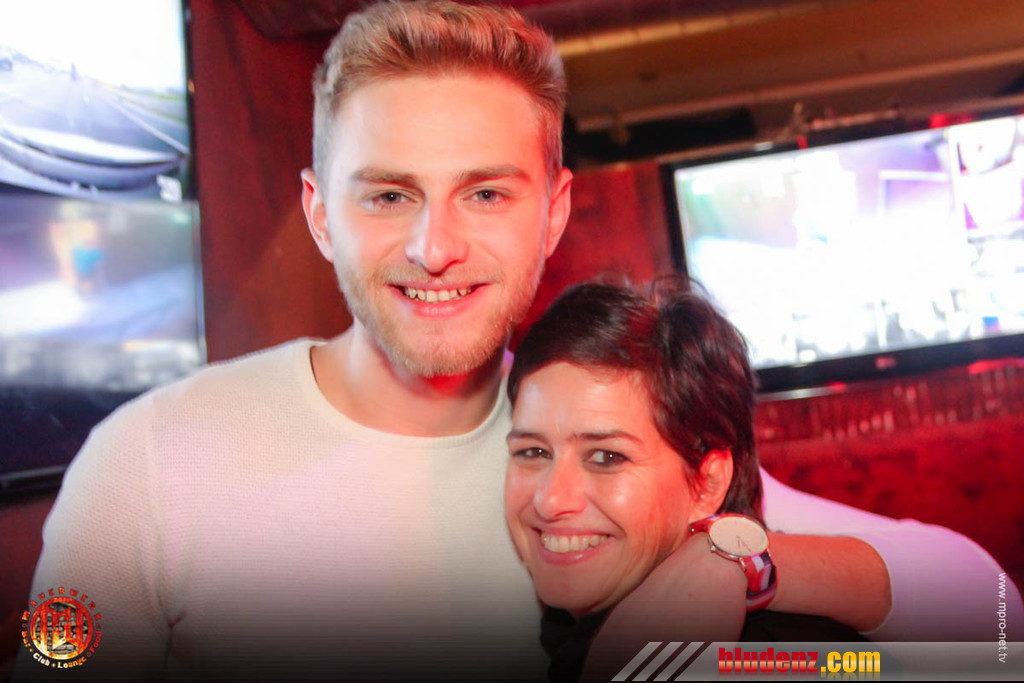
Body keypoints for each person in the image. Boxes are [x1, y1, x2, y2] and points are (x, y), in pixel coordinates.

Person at [18, 1, 1021, 681]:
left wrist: (742, 567)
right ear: (321, 215)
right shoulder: (150, 460)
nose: (435, 247)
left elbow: (990, 617)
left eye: (486, 193)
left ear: (553, 212)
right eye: (388, 195)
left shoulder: (599, 452)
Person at [505, 275, 867, 682]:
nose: (550, 500)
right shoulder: (569, 633)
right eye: (533, 452)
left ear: (707, 484)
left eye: (607, 457)